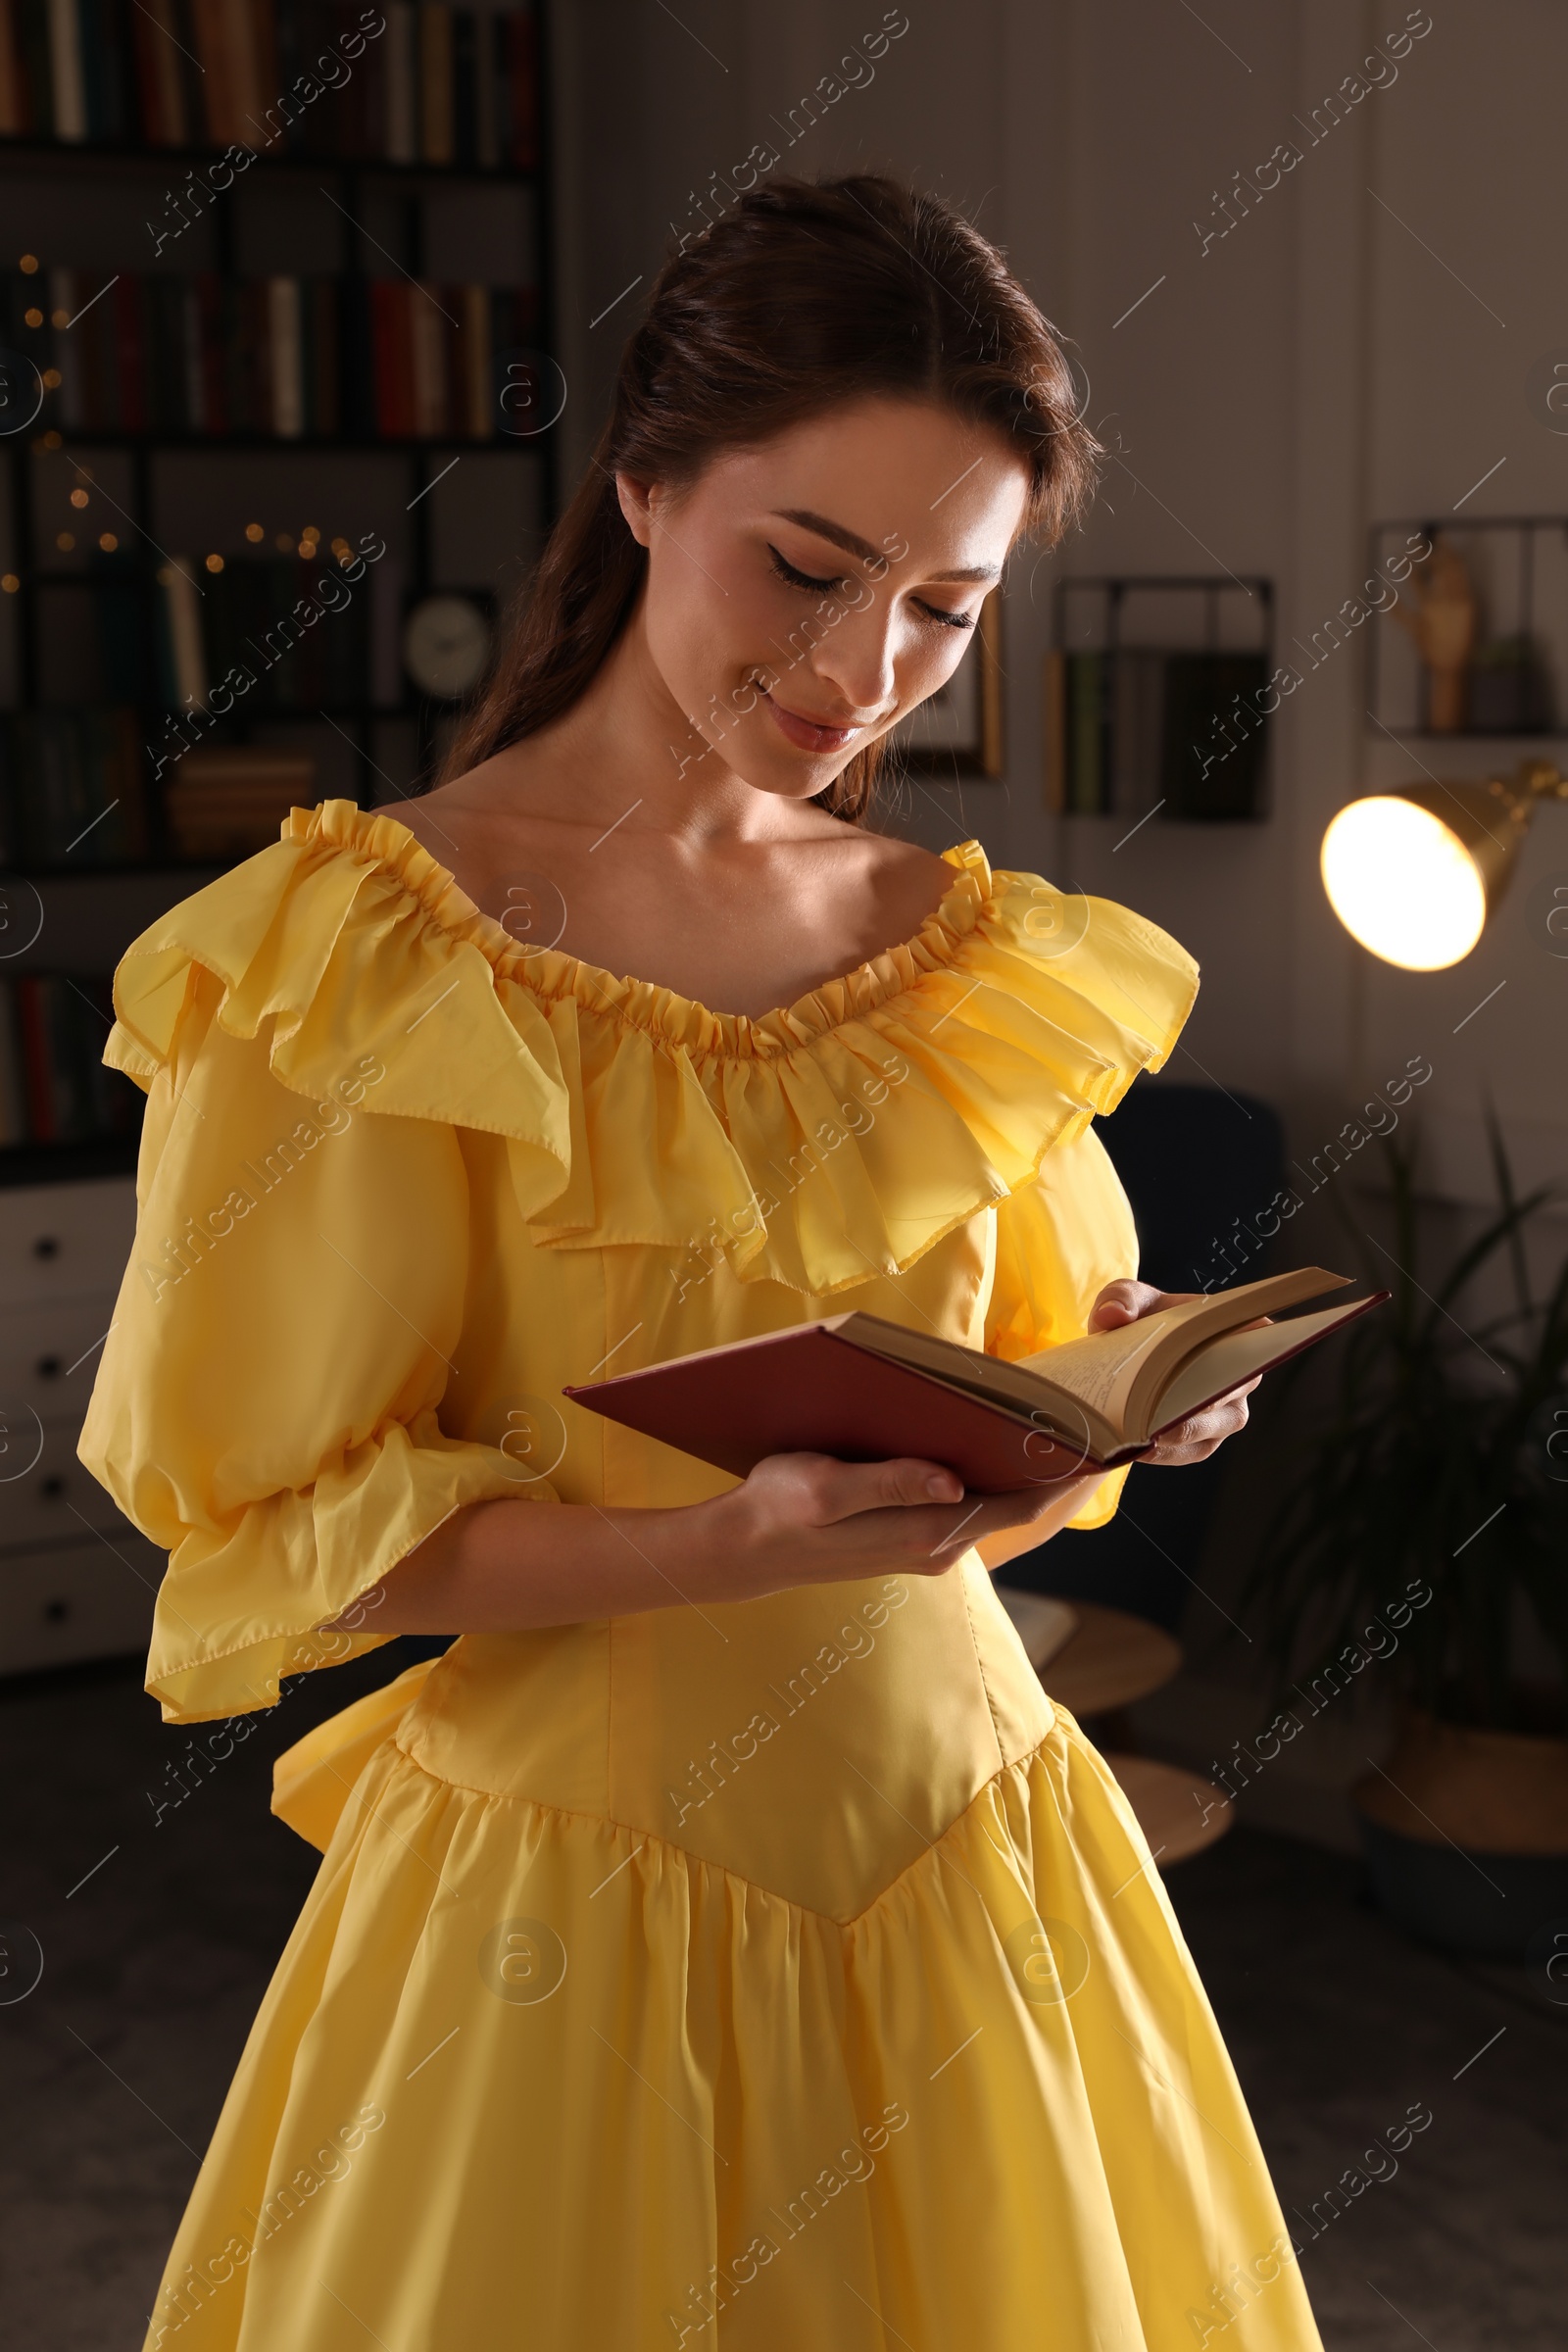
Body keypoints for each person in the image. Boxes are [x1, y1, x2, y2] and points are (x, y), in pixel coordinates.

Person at [83, 175, 1322, 2351]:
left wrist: (1117, 1392)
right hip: (568, 1911)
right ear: (645, 484)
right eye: (810, 570)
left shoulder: (959, 955)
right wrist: (717, 1550)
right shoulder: (363, 962)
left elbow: (1012, 1419)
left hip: (973, 1855)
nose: (862, 673)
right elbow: (293, 1532)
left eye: (942, 608)